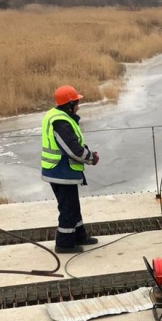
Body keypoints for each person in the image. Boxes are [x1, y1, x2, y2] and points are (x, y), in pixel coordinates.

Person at [41, 85, 100, 254]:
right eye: (77, 102)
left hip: (62, 171)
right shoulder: (61, 121)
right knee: (68, 208)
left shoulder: (58, 116)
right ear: (69, 104)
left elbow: (75, 143)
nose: (79, 105)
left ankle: (80, 236)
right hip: (60, 171)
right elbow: (72, 148)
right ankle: (64, 244)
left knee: (73, 205)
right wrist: (91, 158)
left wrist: (87, 152)